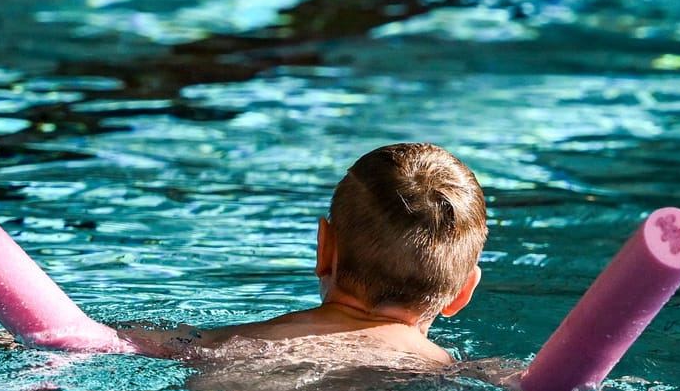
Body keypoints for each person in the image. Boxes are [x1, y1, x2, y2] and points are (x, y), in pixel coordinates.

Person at [125, 143, 486, 370]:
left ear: (324, 248)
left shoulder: (210, 344)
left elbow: (84, 337)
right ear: (463, 292)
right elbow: (537, 389)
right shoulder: (445, 370)